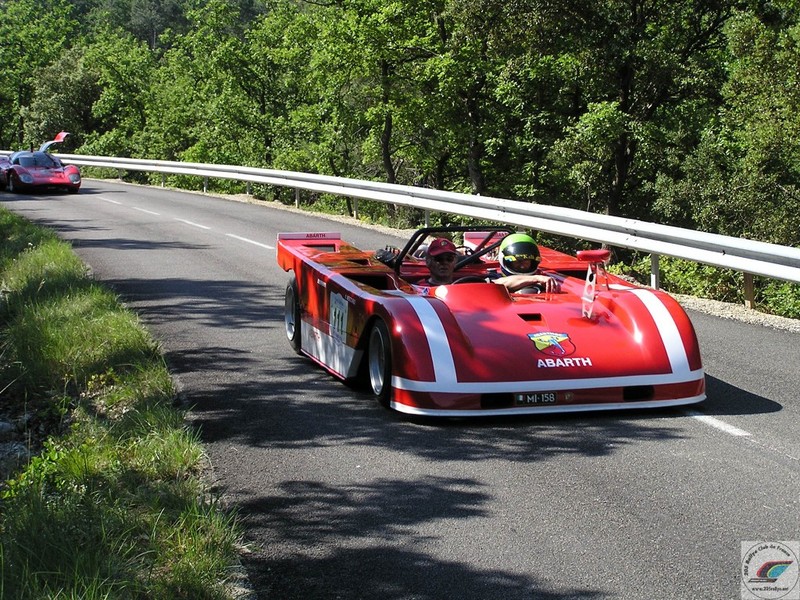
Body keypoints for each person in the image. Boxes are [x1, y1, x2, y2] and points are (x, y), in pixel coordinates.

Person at [419, 234, 559, 292]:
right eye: (438, 259)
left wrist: (537, 278)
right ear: (429, 261)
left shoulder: (466, 285)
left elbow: (500, 284)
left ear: (455, 261)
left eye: (448, 259)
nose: (443, 263)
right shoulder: (417, 288)